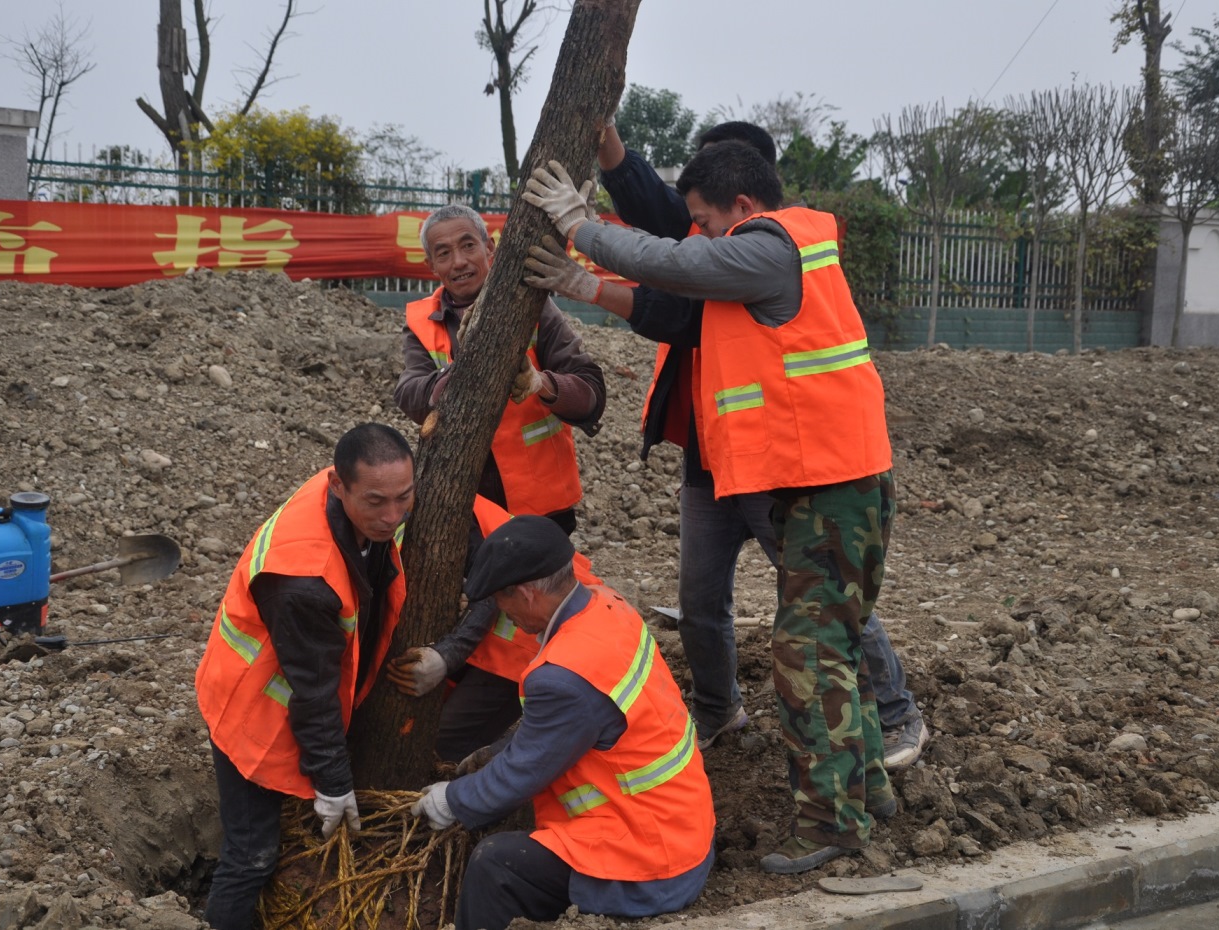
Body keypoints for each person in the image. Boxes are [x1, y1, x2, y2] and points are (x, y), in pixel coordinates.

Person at [522, 141, 896, 874]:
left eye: (702, 218)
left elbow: (673, 264)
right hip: (825, 482)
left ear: (744, 210)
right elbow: (673, 301)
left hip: (833, 487)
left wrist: (581, 225)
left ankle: (831, 827)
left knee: (808, 657)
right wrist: (588, 280)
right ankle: (867, 790)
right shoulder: (765, 259)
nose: (694, 231)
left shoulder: (769, 249)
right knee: (831, 651)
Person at [409, 516, 715, 930]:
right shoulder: (608, 607)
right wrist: (496, 752)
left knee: (496, 864)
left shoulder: (564, 676)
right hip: (682, 829)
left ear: (527, 594)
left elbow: (524, 772)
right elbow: (577, 727)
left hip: (649, 865)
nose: (501, 613)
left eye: (502, 600)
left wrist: (451, 801)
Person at [195, 424, 414, 930]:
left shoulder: (360, 498)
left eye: (404, 497)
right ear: (339, 485)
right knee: (251, 853)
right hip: (249, 710)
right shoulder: (302, 579)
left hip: (287, 683)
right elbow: (313, 692)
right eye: (377, 502)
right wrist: (334, 784)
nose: (392, 516)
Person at [393, 203, 606, 536]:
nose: (459, 261)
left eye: (467, 245)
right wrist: (459, 374)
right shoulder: (421, 322)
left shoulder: (533, 305)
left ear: (489, 247)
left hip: (541, 507)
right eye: (444, 253)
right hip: (462, 506)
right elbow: (408, 394)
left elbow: (591, 393)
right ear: (431, 265)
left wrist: (541, 383)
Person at [384, 494, 604, 764]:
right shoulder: (397, 496)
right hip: (515, 628)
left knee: (442, 746)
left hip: (528, 642)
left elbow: (492, 583)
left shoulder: (438, 506)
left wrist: (446, 656)